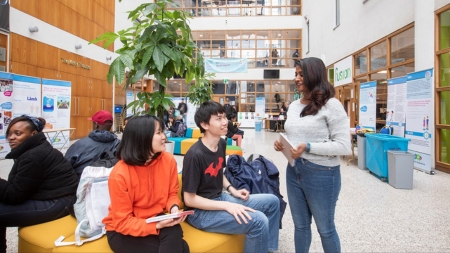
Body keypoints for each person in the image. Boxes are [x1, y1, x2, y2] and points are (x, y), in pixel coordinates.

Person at [274, 57, 351, 253]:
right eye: (296, 74)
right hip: (293, 171)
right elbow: (294, 136)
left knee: (325, 229)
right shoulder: (293, 106)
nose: (297, 78)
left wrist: (308, 147)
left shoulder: (331, 105)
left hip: (322, 174)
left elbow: (343, 146)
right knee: (300, 226)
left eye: (301, 74)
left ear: (314, 75)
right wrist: (282, 144)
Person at [182, 101, 280, 253]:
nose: (225, 122)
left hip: (219, 197)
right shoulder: (194, 155)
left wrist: (232, 190)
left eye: (224, 117)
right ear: (205, 124)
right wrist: (227, 206)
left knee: (273, 202)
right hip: (199, 213)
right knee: (258, 221)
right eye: (218, 118)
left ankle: (268, 249)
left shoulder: (221, 143)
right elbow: (189, 199)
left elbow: (218, 172)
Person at [103, 115, 189, 253]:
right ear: (142, 137)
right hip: (123, 231)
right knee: (182, 248)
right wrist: (157, 224)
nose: (164, 137)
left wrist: (173, 208)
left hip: (155, 218)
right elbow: (122, 222)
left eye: (163, 131)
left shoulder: (168, 160)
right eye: (159, 132)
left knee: (175, 235)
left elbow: (172, 194)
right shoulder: (120, 175)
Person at [0, 115, 78, 252]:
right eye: (9, 133)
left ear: (33, 134)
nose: (11, 137)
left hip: (59, 202)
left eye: (18, 133)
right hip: (59, 197)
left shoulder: (33, 156)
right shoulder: (36, 148)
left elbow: (14, 195)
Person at [65, 110, 121, 180]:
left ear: (96, 124)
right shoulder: (120, 145)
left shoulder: (79, 145)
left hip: (81, 186)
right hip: (109, 186)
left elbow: (64, 168)